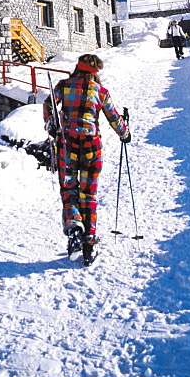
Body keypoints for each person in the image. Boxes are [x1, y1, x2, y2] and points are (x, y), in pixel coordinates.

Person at [43, 53, 130, 266]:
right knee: (88, 193)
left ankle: (74, 228)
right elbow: (113, 117)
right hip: (92, 146)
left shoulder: (63, 86)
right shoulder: (101, 92)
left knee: (69, 189)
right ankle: (90, 241)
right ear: (96, 72)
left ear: (77, 67)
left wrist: (51, 125)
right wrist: (124, 132)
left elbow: (48, 106)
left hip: (67, 143)